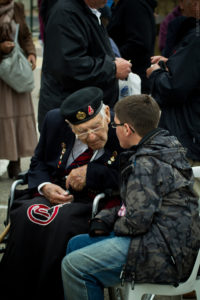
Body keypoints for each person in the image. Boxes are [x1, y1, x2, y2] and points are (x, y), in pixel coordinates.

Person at [61, 94, 200, 300]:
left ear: (127, 129)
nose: (112, 130)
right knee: (76, 244)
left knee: (74, 267)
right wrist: (106, 217)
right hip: (169, 239)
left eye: (115, 125)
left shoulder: (144, 164)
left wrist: (112, 224)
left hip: (163, 252)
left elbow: (136, 222)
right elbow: (138, 206)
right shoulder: (163, 145)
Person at [0, 86, 123, 300]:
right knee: (27, 215)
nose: (92, 136)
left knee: (60, 222)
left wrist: (92, 173)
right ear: (69, 126)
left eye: (95, 127)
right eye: (82, 131)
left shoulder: (122, 125)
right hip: (53, 191)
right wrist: (44, 186)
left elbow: (130, 172)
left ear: (105, 113)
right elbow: (38, 162)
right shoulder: (54, 121)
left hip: (95, 200)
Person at [37, 0, 132, 132]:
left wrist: (112, 62)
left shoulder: (84, 11)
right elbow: (70, 66)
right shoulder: (66, 13)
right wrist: (113, 68)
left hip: (83, 114)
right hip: (73, 117)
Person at [146, 0, 200, 197]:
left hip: (190, 135)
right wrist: (174, 64)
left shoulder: (196, 37)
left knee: (189, 203)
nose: (182, 7)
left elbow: (174, 88)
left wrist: (155, 74)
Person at [0, 0, 37, 178]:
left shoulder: (17, 7)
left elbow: (25, 35)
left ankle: (14, 164)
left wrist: (31, 52)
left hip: (14, 74)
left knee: (16, 118)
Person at [107, 0, 157, 94]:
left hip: (135, 81)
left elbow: (140, 43)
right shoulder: (120, 6)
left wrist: (113, 59)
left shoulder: (133, 5)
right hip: (127, 78)